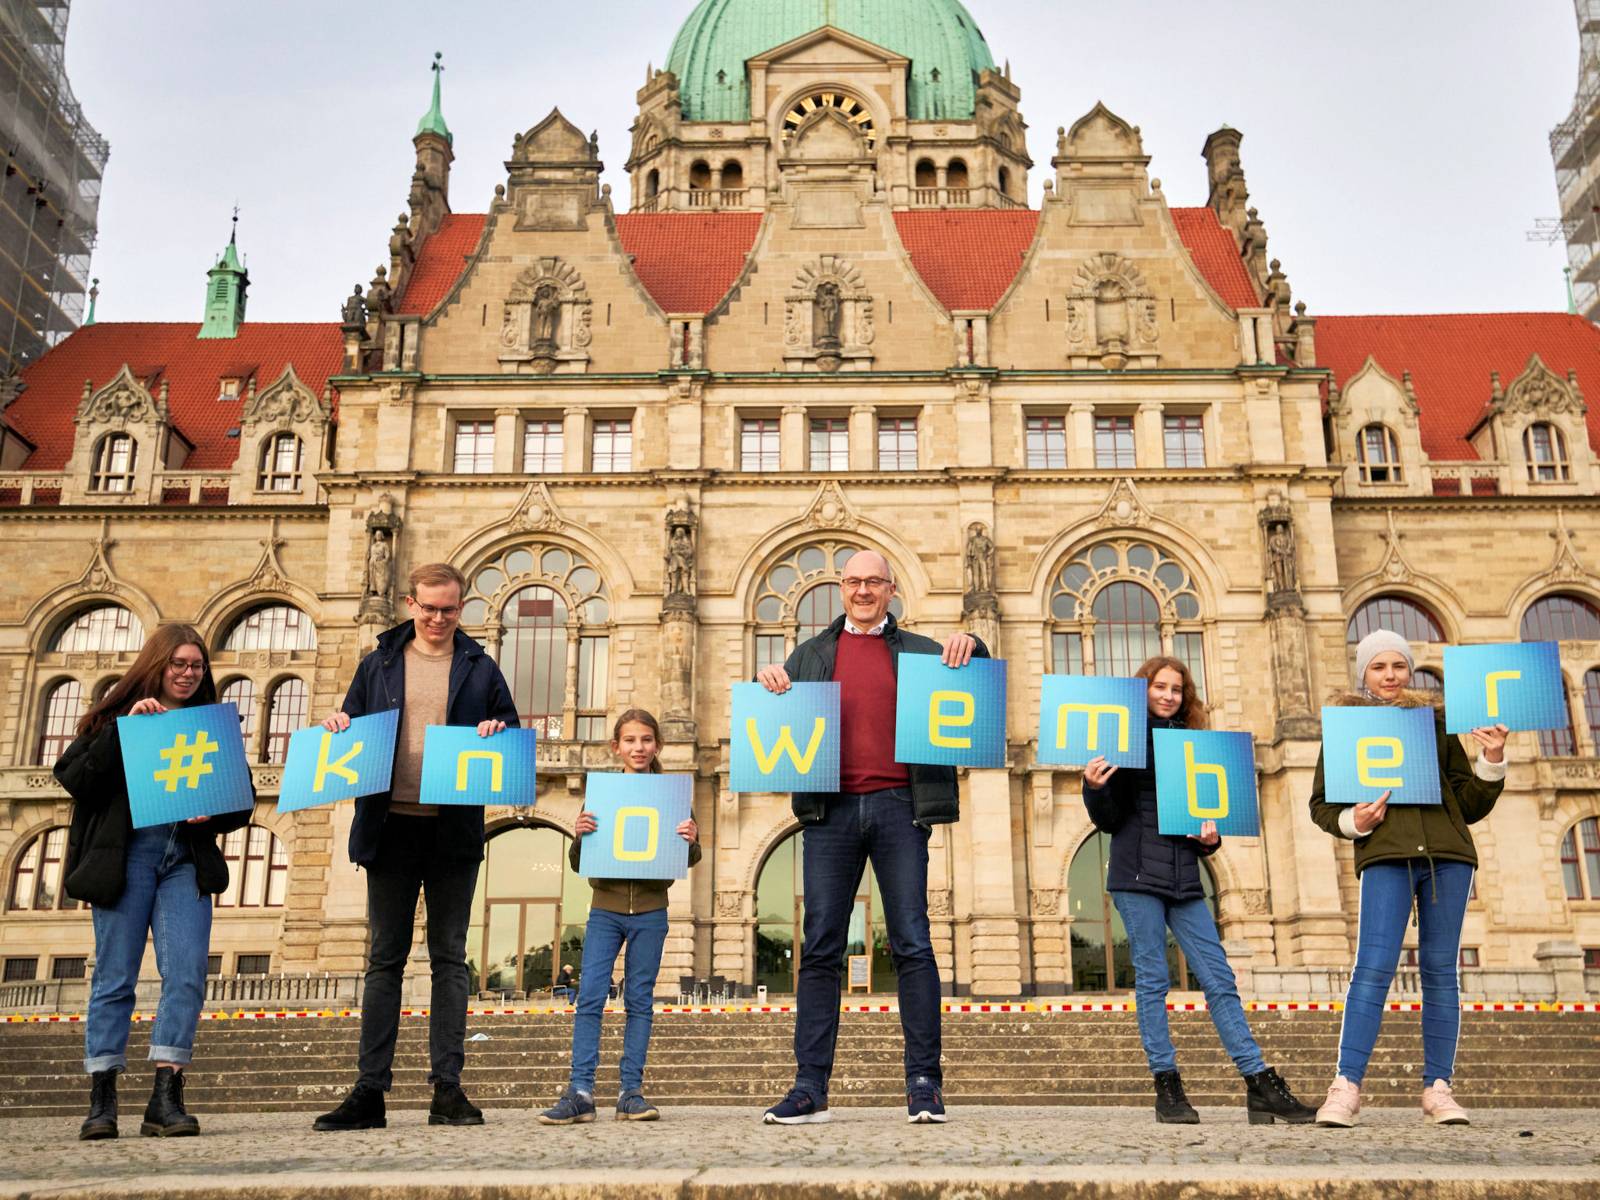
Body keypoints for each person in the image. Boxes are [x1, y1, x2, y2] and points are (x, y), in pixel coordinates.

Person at [758, 550, 986, 1126]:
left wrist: (974, 647)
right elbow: (778, 721)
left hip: (900, 808)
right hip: (829, 813)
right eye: (854, 581)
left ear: (891, 590)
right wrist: (771, 684)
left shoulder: (920, 651)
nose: (863, 590)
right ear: (841, 588)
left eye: (874, 582)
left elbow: (981, 681)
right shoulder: (808, 654)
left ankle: (924, 1084)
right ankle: (809, 1088)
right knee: (820, 950)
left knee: (913, 943)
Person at [313, 562, 520, 1132]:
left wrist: (496, 730)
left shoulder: (480, 666)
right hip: (390, 827)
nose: (436, 618)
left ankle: (447, 1089)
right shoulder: (377, 661)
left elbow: (510, 726)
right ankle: (370, 1092)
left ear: (461, 608)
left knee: (450, 960)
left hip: (451, 831)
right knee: (385, 960)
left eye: (448, 609)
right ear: (410, 604)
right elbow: (349, 720)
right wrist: (337, 721)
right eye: (427, 608)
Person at [1083, 656, 1315, 1125]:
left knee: (1219, 977)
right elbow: (1107, 819)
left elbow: (1206, 814)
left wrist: (1213, 838)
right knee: (1153, 979)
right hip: (1135, 876)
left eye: (1177, 689)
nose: (1168, 695)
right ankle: (1167, 1088)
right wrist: (1092, 787)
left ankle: (1259, 1084)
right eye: (1159, 686)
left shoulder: (1197, 745)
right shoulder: (1119, 740)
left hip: (1184, 876)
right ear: (1142, 690)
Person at [53, 624, 253, 1140]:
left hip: (183, 860)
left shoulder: (210, 725)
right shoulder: (114, 718)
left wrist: (212, 816)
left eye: (197, 666)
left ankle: (165, 1096)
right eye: (178, 664)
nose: (188, 674)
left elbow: (242, 800)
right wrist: (122, 730)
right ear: (157, 663)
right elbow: (76, 781)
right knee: (114, 978)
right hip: (128, 858)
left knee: (186, 973)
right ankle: (102, 1100)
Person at [1308, 630, 1507, 1128]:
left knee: (1442, 971)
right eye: (1379, 666)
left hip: (1448, 855)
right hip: (1387, 854)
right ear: (1364, 673)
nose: (1391, 675)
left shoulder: (1435, 722)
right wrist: (1355, 821)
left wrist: (1493, 759)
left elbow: (1468, 803)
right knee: (1372, 968)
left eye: (1399, 665)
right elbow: (1321, 805)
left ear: (1411, 671)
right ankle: (1346, 1086)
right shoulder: (1346, 727)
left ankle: (1438, 1088)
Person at [539, 708, 701, 1124]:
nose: (639, 748)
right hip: (605, 911)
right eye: (630, 740)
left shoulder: (673, 795)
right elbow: (580, 862)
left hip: (651, 911)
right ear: (617, 747)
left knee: (640, 1002)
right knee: (590, 996)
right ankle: (580, 1091)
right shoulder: (602, 793)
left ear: (657, 746)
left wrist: (691, 840)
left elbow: (686, 859)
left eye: (646, 740)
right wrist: (579, 836)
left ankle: (631, 1092)